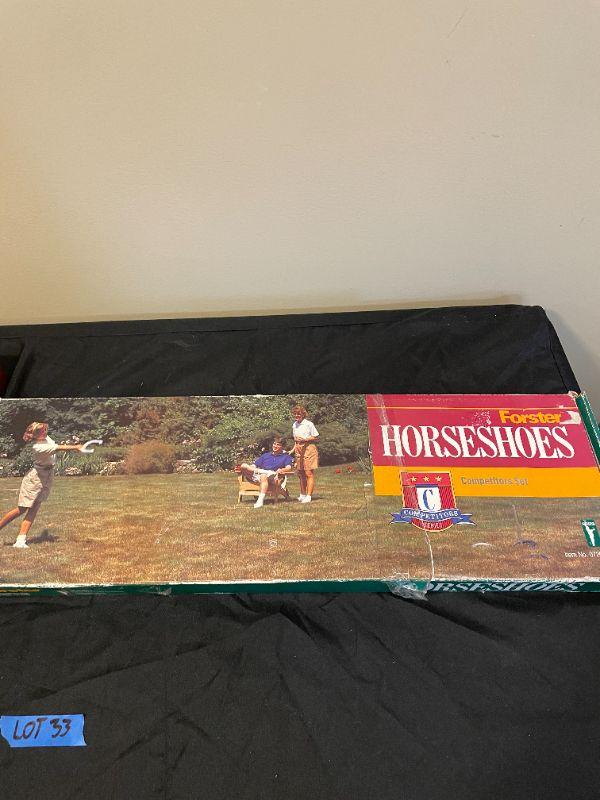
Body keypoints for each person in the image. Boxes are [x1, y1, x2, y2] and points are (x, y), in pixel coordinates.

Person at [0, 422, 84, 548]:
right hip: (35, 478)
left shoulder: (46, 438)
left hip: (47, 475)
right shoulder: (38, 447)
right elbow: (59, 448)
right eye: (42, 431)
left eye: (45, 429)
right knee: (22, 508)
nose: (45, 432)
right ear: (36, 435)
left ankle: (20, 540)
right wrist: (76, 447)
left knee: (35, 507)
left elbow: (50, 440)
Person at [239, 437, 294, 509]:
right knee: (243, 466)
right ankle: (263, 472)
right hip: (259, 475)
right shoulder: (266, 455)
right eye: (274, 444)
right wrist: (250, 467)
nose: (275, 446)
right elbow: (255, 465)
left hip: (274, 476)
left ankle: (260, 501)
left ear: (282, 447)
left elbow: (289, 468)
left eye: (278, 445)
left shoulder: (285, 457)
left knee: (263, 476)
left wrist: (282, 469)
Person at [291, 406, 319, 503]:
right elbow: (296, 441)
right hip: (299, 450)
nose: (296, 415)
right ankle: (302, 494)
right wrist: (292, 451)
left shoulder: (309, 424)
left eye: (298, 414)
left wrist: (305, 439)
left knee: (308, 473)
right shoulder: (294, 425)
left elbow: (316, 437)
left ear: (303, 414)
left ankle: (309, 496)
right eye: (295, 414)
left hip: (308, 449)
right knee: (301, 473)